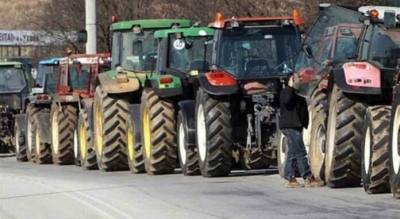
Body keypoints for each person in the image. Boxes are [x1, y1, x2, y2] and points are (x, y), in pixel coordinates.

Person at [279, 73, 324, 188]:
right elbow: (287, 100)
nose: (301, 79)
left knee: (292, 153)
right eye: (298, 77)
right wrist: (290, 86)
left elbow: (303, 110)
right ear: (291, 79)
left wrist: (305, 124)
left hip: (297, 126)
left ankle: (290, 178)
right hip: (290, 126)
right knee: (300, 152)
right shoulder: (286, 92)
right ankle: (308, 178)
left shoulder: (299, 93)